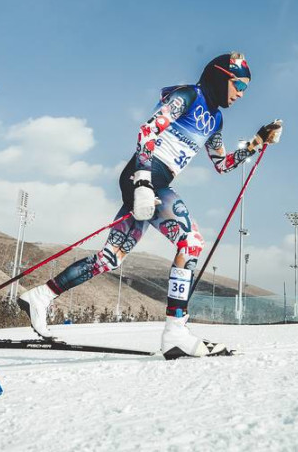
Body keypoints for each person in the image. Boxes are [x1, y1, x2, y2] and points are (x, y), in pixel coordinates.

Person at [18, 52, 283, 359]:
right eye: (238, 85)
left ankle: (40, 296)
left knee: (110, 258)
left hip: (155, 182)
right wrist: (143, 181)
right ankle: (175, 333)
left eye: (245, 89)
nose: (240, 93)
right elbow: (148, 130)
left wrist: (256, 143)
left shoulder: (216, 119)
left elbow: (222, 165)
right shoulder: (187, 95)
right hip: (144, 176)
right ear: (220, 75)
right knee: (191, 242)